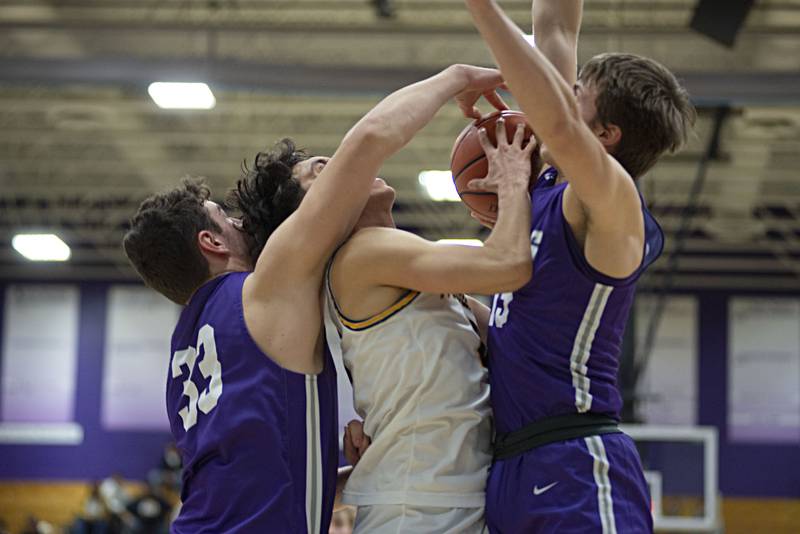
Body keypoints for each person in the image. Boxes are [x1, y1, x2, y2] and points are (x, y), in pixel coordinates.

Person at [122, 63, 507, 533]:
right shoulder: (262, 290)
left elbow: (256, 481)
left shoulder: (185, 358)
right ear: (212, 243)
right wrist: (458, 77)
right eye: (227, 218)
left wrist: (362, 470)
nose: (244, 224)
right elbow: (370, 139)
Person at [232, 116, 536, 531]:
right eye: (324, 169)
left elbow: (513, 337)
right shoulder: (361, 255)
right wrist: (515, 184)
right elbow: (510, 265)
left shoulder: (406, 268)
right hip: (422, 512)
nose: (349, 165)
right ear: (315, 213)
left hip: (444, 502)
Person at [462, 0, 696, 532]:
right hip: (510, 464)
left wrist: (481, 8)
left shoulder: (612, 201)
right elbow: (557, 24)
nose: (559, 93)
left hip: (577, 461)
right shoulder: (546, 182)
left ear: (607, 134)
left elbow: (560, 126)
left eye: (577, 97)